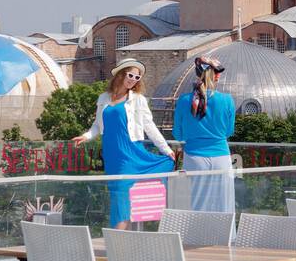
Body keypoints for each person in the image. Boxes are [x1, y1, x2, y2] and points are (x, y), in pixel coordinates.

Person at [76, 60, 175, 229]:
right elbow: (98, 126)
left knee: (121, 196)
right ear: (121, 74)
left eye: (137, 77)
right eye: (131, 75)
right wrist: (85, 136)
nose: (133, 79)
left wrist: (165, 149)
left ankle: (114, 244)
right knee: (118, 197)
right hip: (112, 155)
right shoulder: (103, 98)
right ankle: (122, 246)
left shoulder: (138, 100)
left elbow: (149, 126)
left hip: (130, 153)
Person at [173, 56, 236, 213]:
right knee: (224, 202)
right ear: (216, 76)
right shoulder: (227, 100)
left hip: (194, 157)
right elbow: (229, 131)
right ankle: (225, 236)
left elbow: (178, 134)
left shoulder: (184, 100)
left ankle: (197, 236)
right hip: (221, 156)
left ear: (197, 74)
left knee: (197, 201)